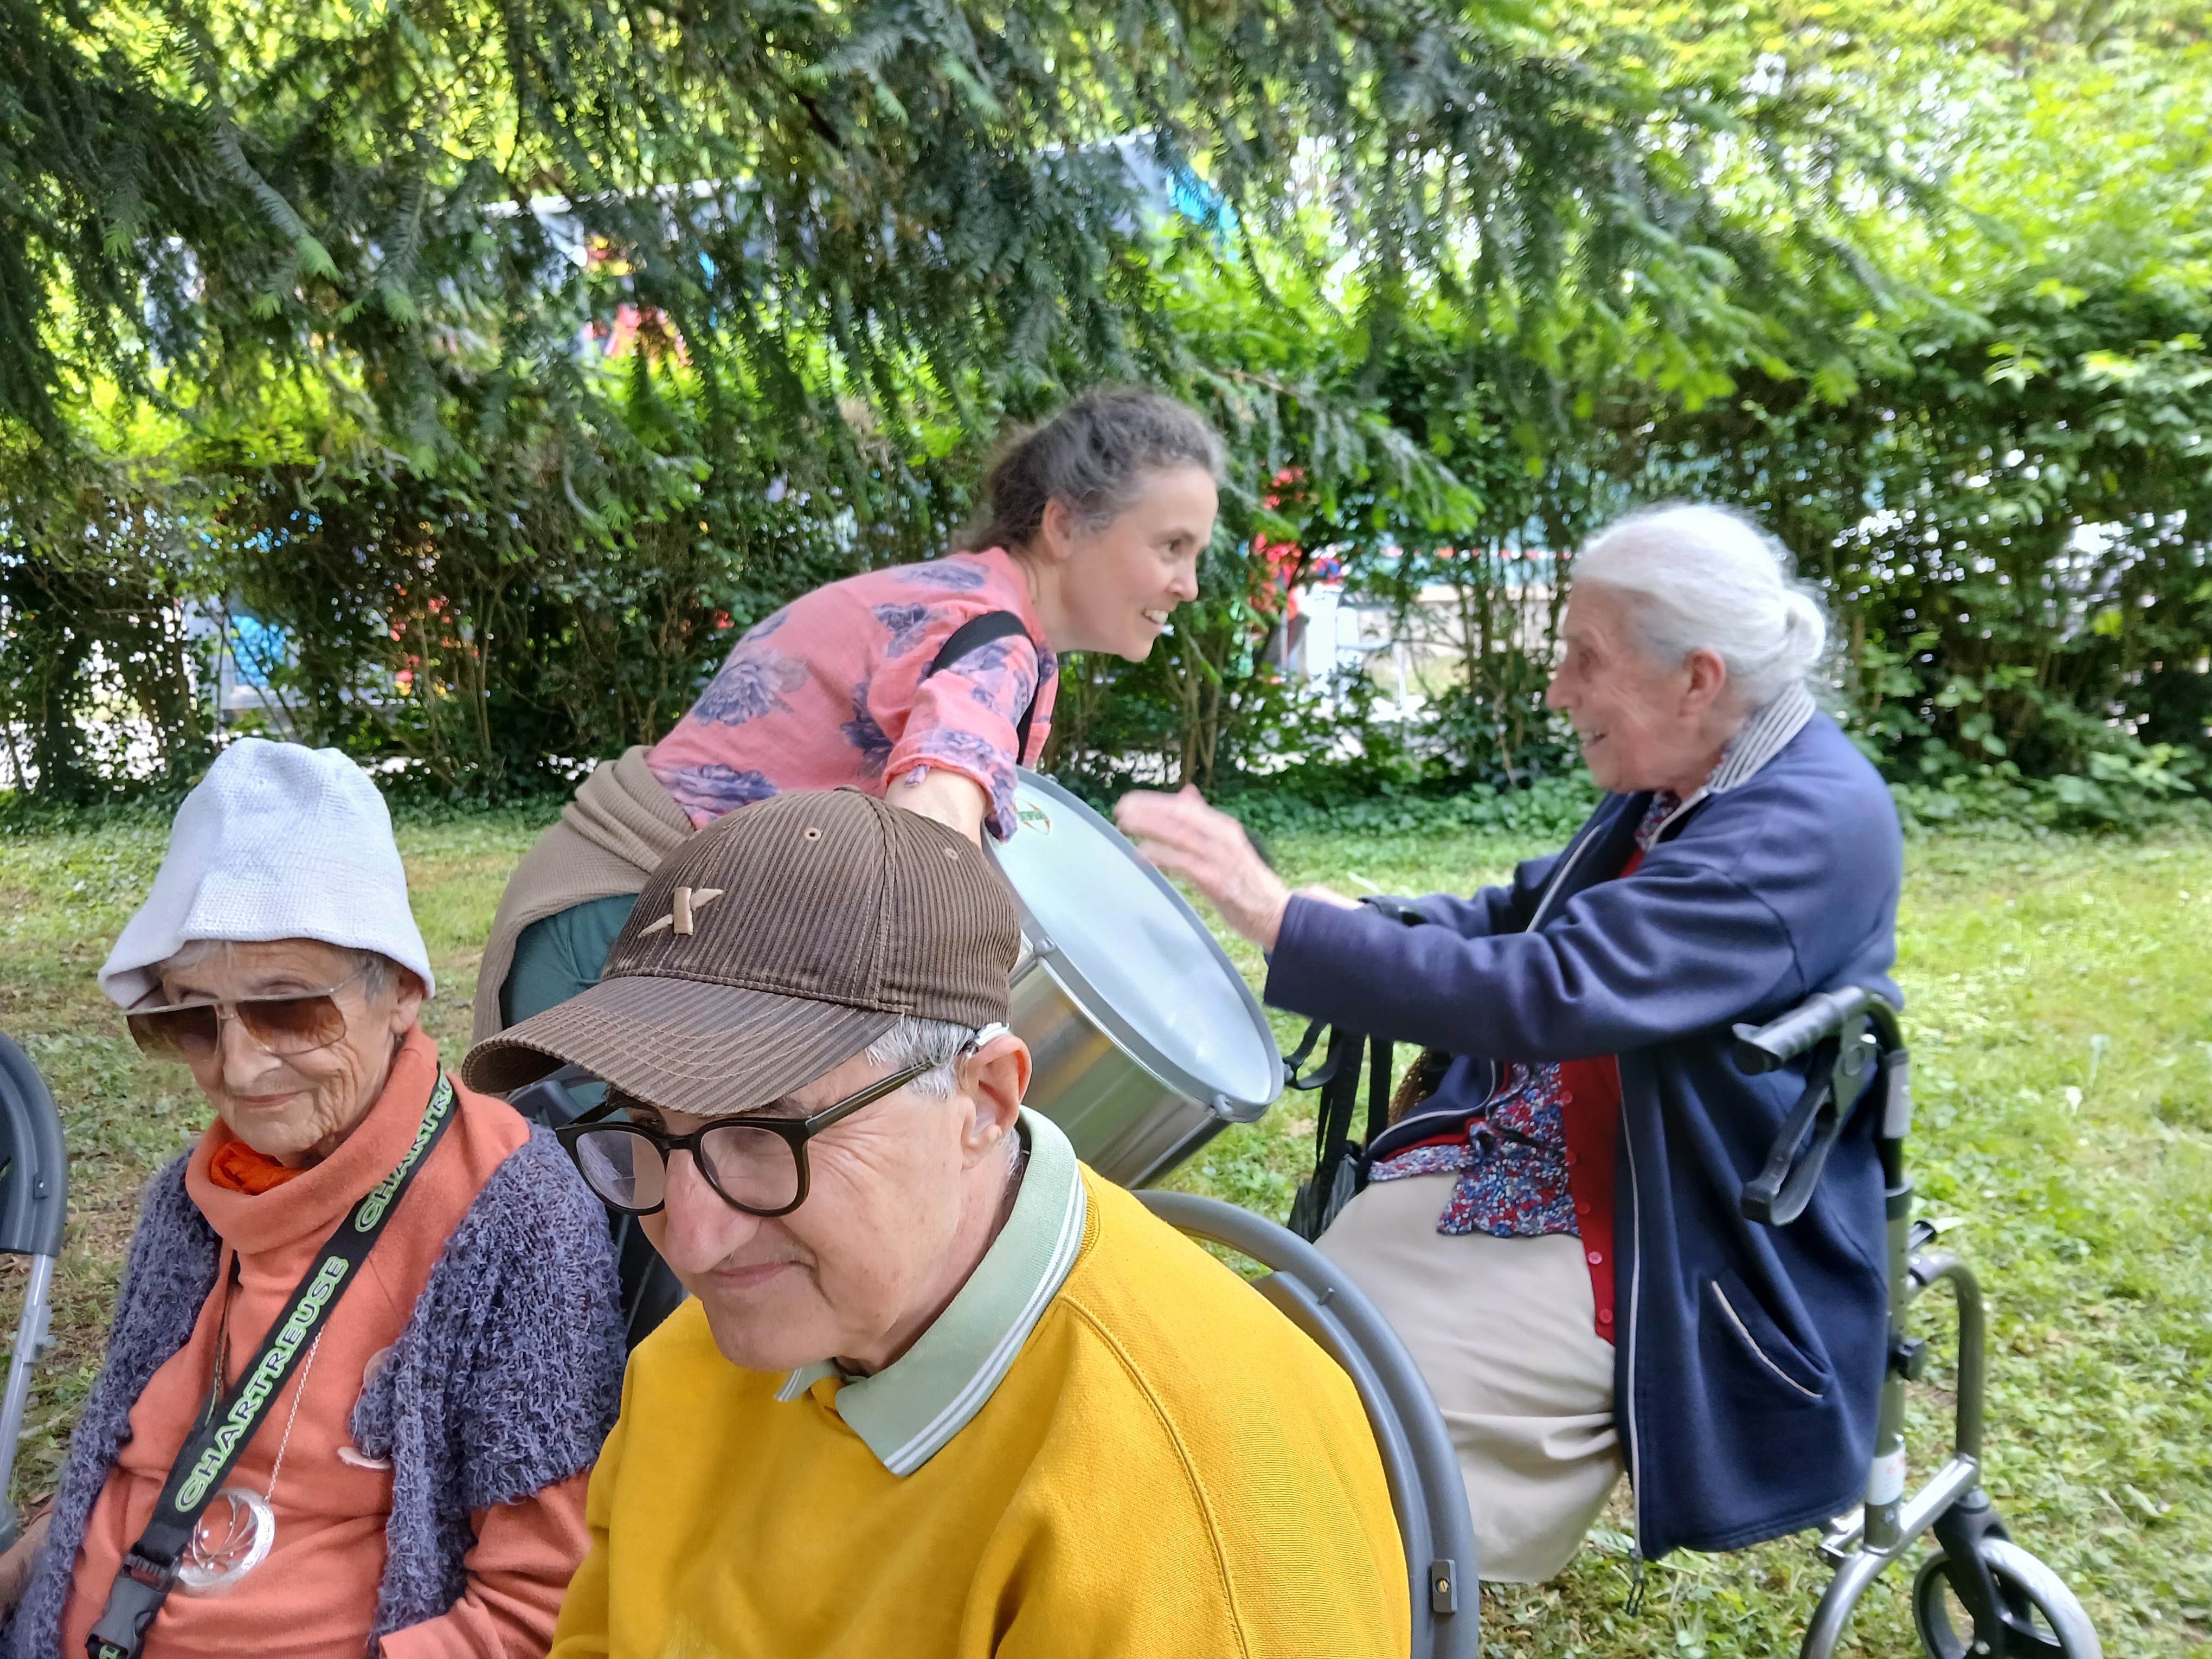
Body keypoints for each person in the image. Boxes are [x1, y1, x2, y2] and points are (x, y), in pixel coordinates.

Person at [1116, 503, 1904, 1580]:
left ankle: (1322, 1579)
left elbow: (1549, 990)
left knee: (1335, 1443)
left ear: (1699, 678)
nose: (1558, 689)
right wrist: (1345, 918)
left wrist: (1278, 917)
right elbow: (1524, 915)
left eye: (1586, 658)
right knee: (1271, 1371)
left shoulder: (1803, 824)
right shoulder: (1696, 777)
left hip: (1670, 1230)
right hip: (1574, 1161)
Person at [460, 788, 1409, 1658]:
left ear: (985, 1099)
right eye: (646, 1128)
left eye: (765, 1131)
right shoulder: (700, 1355)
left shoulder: (1187, 1519)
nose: (693, 1240)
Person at [0, 740, 625, 1659]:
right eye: (187, 1016)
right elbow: (120, 1462)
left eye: (290, 1008)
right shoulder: (190, 1198)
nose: (241, 1068)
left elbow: (542, 1609)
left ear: (403, 991)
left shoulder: (513, 1215)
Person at [471, 387, 1225, 1045]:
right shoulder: (992, 638)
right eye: (1171, 546)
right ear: (1063, 526)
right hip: (625, 927)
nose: (1189, 585)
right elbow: (931, 825)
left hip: (637, 912)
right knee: (632, 1203)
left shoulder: (984, 614)